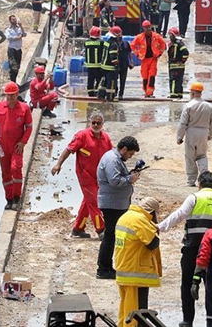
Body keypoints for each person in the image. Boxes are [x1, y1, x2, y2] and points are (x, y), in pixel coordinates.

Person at [158, 171, 212, 327]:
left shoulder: (194, 198)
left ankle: (187, 320)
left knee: (188, 284)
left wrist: (160, 227)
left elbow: (179, 215)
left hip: (193, 249)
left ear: (199, 184)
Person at [51, 112, 113, 238]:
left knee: (88, 201)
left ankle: (78, 228)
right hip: (85, 176)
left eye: (98, 123)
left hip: (100, 177)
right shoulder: (82, 136)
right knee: (94, 202)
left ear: (102, 124)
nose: (95, 125)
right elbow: (68, 150)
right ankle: (101, 229)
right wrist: (58, 164)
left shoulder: (106, 138)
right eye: (93, 123)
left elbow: (112, 156)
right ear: (90, 123)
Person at [96, 136, 142, 279]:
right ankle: (103, 269)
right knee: (110, 236)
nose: (130, 157)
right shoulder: (112, 159)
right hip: (112, 204)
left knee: (112, 236)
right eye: (130, 154)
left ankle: (107, 267)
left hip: (117, 203)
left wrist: (130, 175)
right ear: (124, 149)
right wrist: (130, 179)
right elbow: (114, 180)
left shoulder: (116, 159)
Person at [114, 196, 162, 327]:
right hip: (136, 273)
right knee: (136, 313)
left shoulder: (126, 216)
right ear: (152, 212)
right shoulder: (139, 220)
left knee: (125, 307)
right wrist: (153, 229)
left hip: (123, 269)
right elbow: (153, 242)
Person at [0, 81, 33, 210]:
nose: (10, 97)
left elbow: (29, 127)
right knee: (6, 173)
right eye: (8, 95)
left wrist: (23, 142)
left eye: (12, 95)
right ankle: (9, 199)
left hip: (16, 147)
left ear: (17, 94)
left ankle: (16, 197)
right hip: (3, 146)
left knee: (15, 169)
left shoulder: (24, 108)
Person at [177, 82, 212, 187]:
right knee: (202, 155)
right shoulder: (209, 106)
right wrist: (210, 135)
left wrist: (179, 137)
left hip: (191, 133)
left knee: (190, 157)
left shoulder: (189, 106)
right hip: (204, 133)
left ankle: (191, 180)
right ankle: (204, 177)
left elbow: (183, 123)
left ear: (193, 93)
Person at [131, 20, 167, 98]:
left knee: (152, 76)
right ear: (143, 28)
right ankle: (146, 91)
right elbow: (132, 45)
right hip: (144, 60)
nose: (148, 29)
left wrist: (160, 53)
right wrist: (137, 53)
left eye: (149, 27)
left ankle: (150, 92)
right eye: (146, 27)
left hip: (153, 59)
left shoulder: (156, 36)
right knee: (145, 77)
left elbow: (163, 44)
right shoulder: (140, 37)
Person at [112, 26, 134, 102]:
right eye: (118, 34)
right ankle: (115, 92)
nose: (120, 35)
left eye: (120, 34)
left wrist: (131, 62)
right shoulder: (114, 44)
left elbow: (130, 53)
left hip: (124, 65)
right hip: (116, 65)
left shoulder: (126, 43)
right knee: (114, 79)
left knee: (123, 80)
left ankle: (121, 94)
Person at [167, 28, 189, 99]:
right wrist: (183, 61)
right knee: (179, 80)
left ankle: (173, 94)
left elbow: (185, 52)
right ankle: (179, 94)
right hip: (179, 66)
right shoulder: (177, 43)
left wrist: (182, 60)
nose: (169, 37)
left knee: (173, 80)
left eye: (170, 35)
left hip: (175, 66)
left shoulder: (177, 44)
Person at [83, 26, 104, 98]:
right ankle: (97, 92)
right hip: (98, 65)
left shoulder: (86, 42)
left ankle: (90, 93)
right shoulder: (101, 42)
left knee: (90, 80)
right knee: (99, 80)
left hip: (89, 65)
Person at [4, 15, 26, 82]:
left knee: (17, 66)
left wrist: (21, 26)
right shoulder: (8, 29)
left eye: (15, 19)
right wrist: (17, 38)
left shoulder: (19, 28)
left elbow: (24, 34)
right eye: (13, 20)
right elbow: (8, 37)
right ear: (10, 21)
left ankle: (14, 80)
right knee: (12, 65)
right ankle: (12, 81)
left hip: (18, 49)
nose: (15, 21)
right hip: (12, 49)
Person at [99, 31, 120, 102]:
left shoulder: (107, 41)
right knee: (111, 83)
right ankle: (110, 97)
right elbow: (113, 57)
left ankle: (101, 95)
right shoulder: (114, 44)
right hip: (110, 67)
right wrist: (116, 64)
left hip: (104, 66)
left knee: (105, 81)